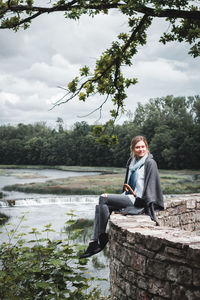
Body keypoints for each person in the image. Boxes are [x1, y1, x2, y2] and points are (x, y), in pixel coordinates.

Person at [79, 135, 164, 259]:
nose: (141, 149)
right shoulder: (131, 162)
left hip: (138, 200)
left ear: (146, 147)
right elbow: (127, 183)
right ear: (133, 149)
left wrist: (146, 202)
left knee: (103, 198)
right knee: (101, 205)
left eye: (143, 147)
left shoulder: (150, 162)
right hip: (128, 196)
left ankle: (97, 240)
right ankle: (97, 240)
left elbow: (152, 185)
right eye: (137, 147)